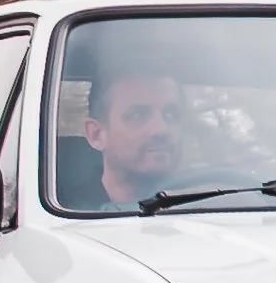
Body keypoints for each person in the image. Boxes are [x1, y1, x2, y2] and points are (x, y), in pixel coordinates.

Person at [54, 62, 186, 211]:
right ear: (96, 135)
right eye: (138, 116)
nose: (161, 130)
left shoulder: (207, 203)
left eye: (171, 115)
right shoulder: (65, 216)